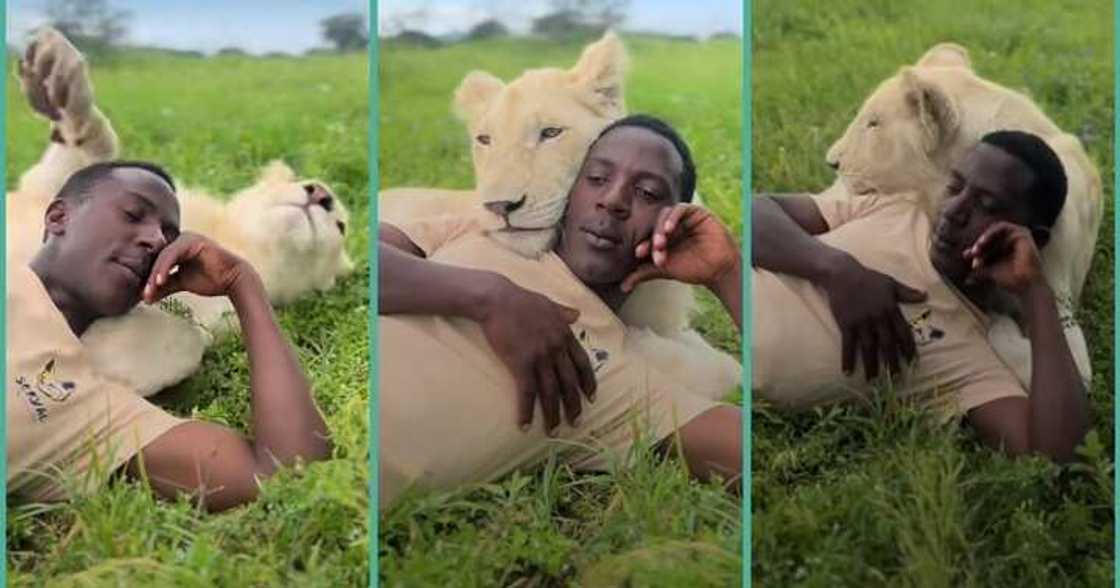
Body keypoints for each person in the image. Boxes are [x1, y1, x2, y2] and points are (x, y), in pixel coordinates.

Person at [379, 115, 743, 505]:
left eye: (648, 193)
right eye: (597, 178)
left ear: (672, 223)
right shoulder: (476, 230)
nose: (614, 200)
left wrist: (726, 273)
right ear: (570, 191)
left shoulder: (621, 388)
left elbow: (746, 453)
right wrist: (490, 297)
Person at [8, 161, 331, 512]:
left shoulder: (92, 412)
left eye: (169, 238)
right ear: (58, 217)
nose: (154, 240)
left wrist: (242, 284)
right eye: (132, 214)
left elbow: (290, 472)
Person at [752, 130, 1089, 462]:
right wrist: (838, 271)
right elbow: (755, 213)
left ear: (1031, 239)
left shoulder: (969, 359)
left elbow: (1052, 455)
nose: (954, 210)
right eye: (955, 186)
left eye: (985, 206)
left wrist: (1035, 290)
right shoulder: (897, 211)